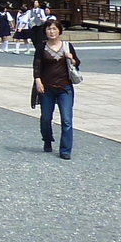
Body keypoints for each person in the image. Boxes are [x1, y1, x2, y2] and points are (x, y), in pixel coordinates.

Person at [32, 18, 80, 158]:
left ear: (59, 30)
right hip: (47, 87)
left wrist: (72, 59)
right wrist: (38, 81)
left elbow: (77, 63)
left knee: (66, 120)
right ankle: (47, 139)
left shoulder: (67, 46)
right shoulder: (41, 47)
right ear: (45, 31)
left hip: (65, 87)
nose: (51, 31)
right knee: (46, 118)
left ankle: (65, 151)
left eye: (54, 29)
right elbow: (37, 66)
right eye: (49, 29)